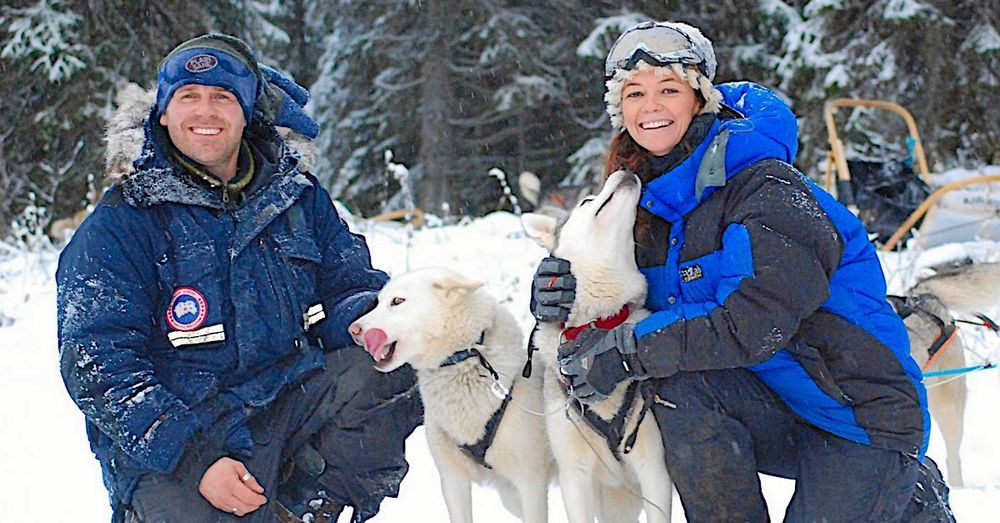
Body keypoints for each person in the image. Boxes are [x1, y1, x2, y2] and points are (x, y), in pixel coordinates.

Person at [532, 21, 954, 522]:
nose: (651, 107)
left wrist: (627, 353)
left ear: (700, 100)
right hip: (768, 406)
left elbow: (755, 323)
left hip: (859, 418)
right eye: (635, 93)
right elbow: (618, 295)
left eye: (670, 89)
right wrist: (560, 296)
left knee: (659, 361)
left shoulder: (768, 191)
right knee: (674, 387)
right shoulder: (649, 202)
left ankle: (910, 497)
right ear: (619, 110)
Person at [57, 34, 422, 523]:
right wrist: (196, 460)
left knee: (393, 362)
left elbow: (352, 290)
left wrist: (381, 328)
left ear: (247, 111)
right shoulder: (122, 222)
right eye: (188, 96)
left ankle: (310, 506)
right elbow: (97, 365)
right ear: (163, 112)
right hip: (183, 436)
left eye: (222, 97)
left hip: (286, 403)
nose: (205, 111)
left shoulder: (297, 198)